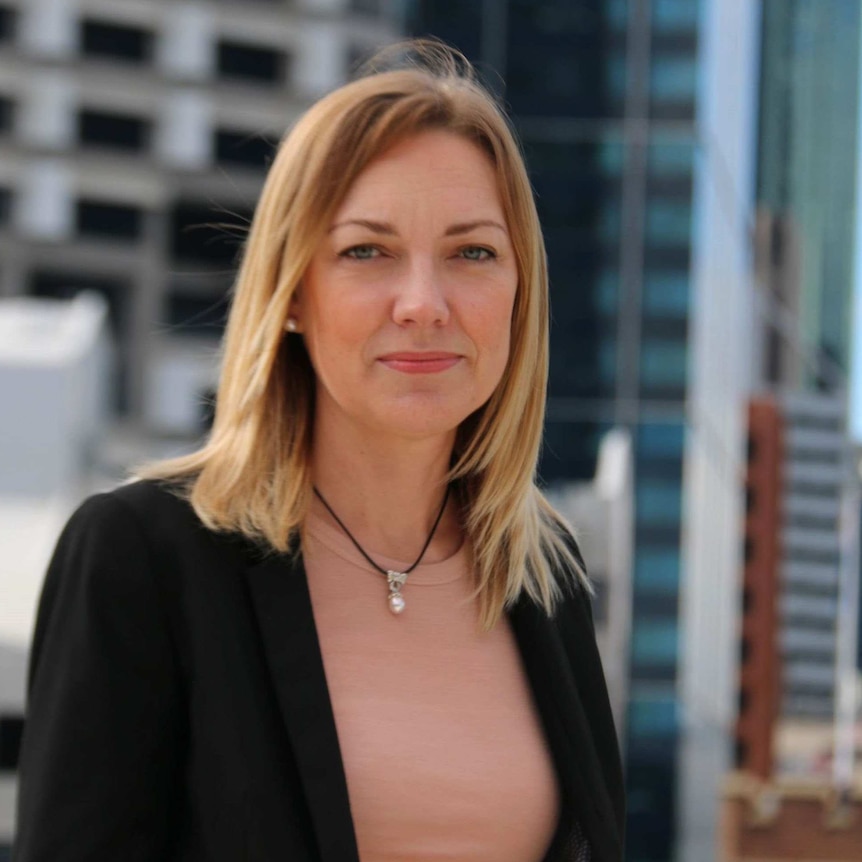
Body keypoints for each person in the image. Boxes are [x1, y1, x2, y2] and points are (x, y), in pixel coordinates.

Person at [14, 40, 624, 862]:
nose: (423, 303)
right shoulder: (141, 560)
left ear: (521, 291)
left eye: (472, 252)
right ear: (294, 293)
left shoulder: (547, 575)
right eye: (366, 251)